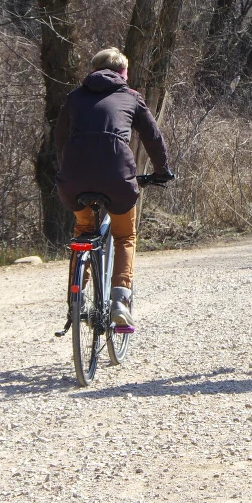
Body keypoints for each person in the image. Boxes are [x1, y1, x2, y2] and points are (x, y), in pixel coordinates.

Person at [55, 47, 173, 330]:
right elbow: (153, 138)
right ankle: (120, 300)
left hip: (74, 179)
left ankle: (77, 298)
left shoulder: (73, 98)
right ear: (123, 73)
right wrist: (161, 172)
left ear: (94, 70)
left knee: (83, 230)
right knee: (124, 237)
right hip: (117, 178)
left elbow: (59, 139)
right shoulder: (131, 97)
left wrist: (66, 172)